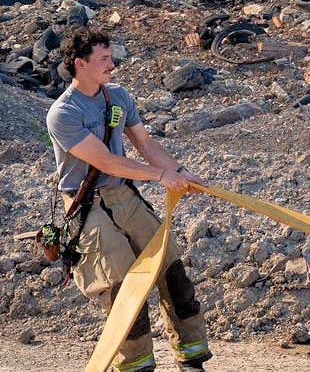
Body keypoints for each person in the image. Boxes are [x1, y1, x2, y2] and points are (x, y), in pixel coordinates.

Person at [46, 26, 212, 372]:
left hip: (125, 196)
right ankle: (136, 367)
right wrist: (160, 177)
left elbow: (146, 145)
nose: (112, 65)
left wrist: (180, 171)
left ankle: (192, 360)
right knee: (125, 291)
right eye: (104, 59)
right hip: (87, 205)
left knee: (173, 272)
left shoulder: (118, 96)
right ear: (81, 64)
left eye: (111, 57)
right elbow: (104, 160)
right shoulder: (63, 113)